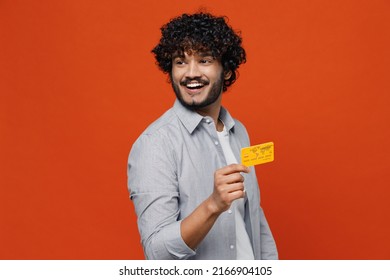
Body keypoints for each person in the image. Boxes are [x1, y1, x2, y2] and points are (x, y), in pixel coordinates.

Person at [127, 12, 278, 260]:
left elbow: (254, 217)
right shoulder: (155, 144)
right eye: (181, 62)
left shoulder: (238, 132)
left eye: (204, 60)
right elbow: (156, 253)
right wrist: (213, 205)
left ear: (226, 71)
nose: (191, 73)